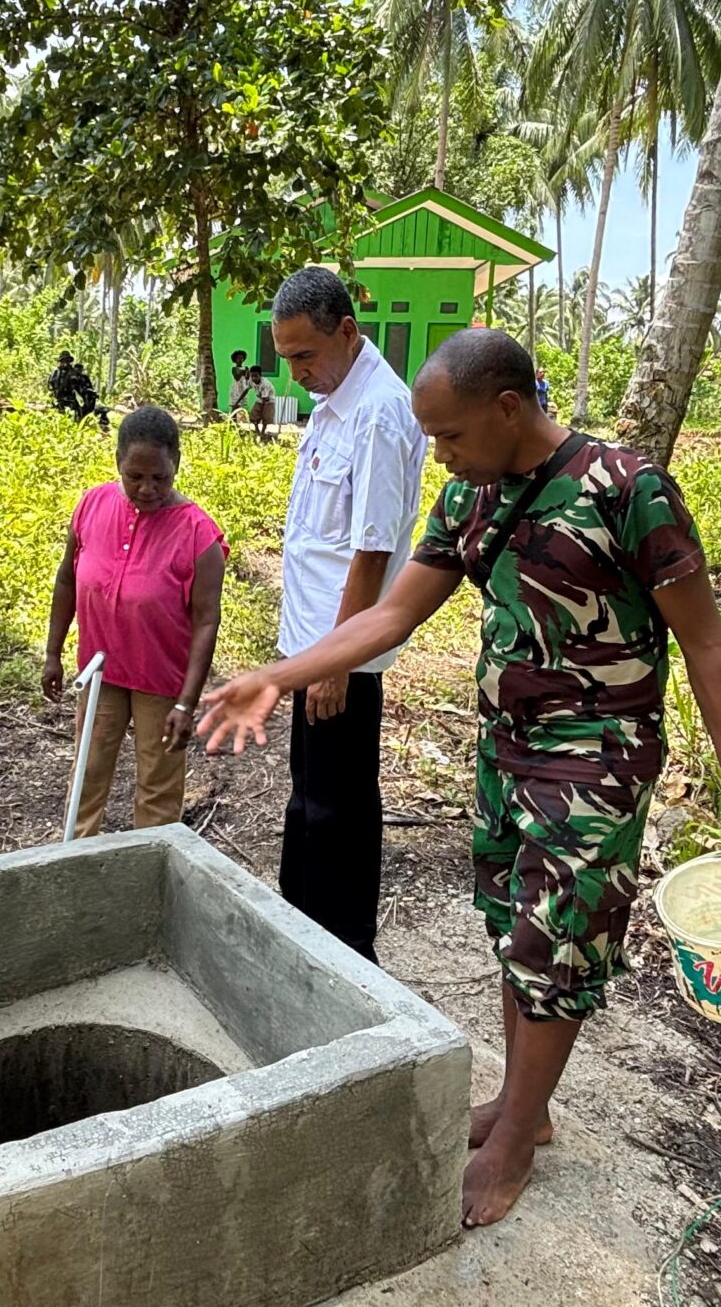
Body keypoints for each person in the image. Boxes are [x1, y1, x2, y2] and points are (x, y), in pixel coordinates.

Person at [199, 327, 721, 1231]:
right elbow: (395, 611)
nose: (440, 453)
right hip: (504, 749)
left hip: (596, 756)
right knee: (515, 933)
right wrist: (278, 675)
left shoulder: (629, 491)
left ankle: (514, 1137)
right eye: (431, 439)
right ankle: (530, 1107)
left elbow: (709, 646)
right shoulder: (471, 498)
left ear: (508, 407)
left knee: (556, 943)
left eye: (450, 436)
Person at [265, 266, 427, 961]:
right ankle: (299, 934)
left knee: (340, 813)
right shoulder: (334, 401)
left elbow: (371, 551)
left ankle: (346, 955)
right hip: (314, 647)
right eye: (288, 357)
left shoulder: (379, 412)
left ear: (348, 333)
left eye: (306, 355)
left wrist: (339, 659)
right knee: (308, 803)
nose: (297, 372)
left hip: (343, 656)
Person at [42, 406, 227, 837]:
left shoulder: (198, 535)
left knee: (157, 787)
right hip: (101, 671)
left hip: (162, 681)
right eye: (135, 477)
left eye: (160, 478)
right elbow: (68, 578)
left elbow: (206, 622)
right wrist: (53, 652)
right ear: (118, 465)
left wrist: (186, 702)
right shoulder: (92, 504)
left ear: (176, 464)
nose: (147, 489)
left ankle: (151, 867)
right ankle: (72, 860)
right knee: (88, 770)